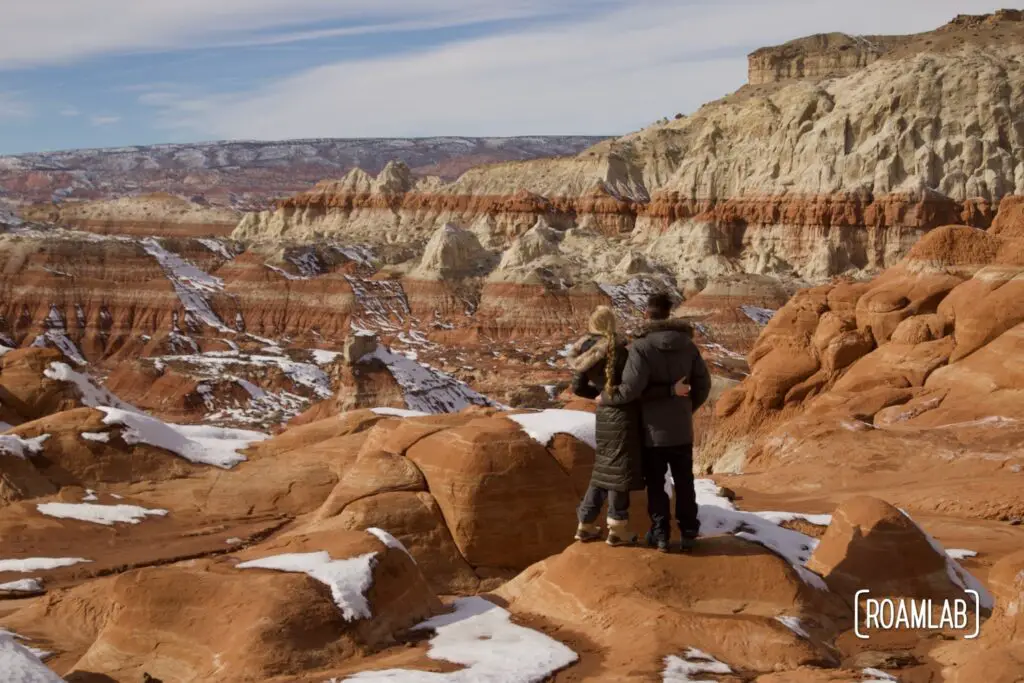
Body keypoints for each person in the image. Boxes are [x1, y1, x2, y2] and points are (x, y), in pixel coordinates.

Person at [600, 292, 711, 553]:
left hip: (652, 431)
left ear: (646, 314)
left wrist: (605, 396)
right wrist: (685, 407)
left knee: (657, 484)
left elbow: (630, 390)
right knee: (685, 481)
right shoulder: (688, 346)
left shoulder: (641, 347)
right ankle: (689, 532)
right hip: (682, 429)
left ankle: (660, 534)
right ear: (668, 313)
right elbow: (704, 384)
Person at [567, 306, 687, 547]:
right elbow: (635, 390)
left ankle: (585, 524)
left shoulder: (585, 352)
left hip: (603, 416)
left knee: (604, 468)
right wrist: (670, 391)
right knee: (619, 472)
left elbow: (578, 388)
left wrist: (600, 395)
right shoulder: (621, 352)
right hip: (624, 417)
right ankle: (617, 528)